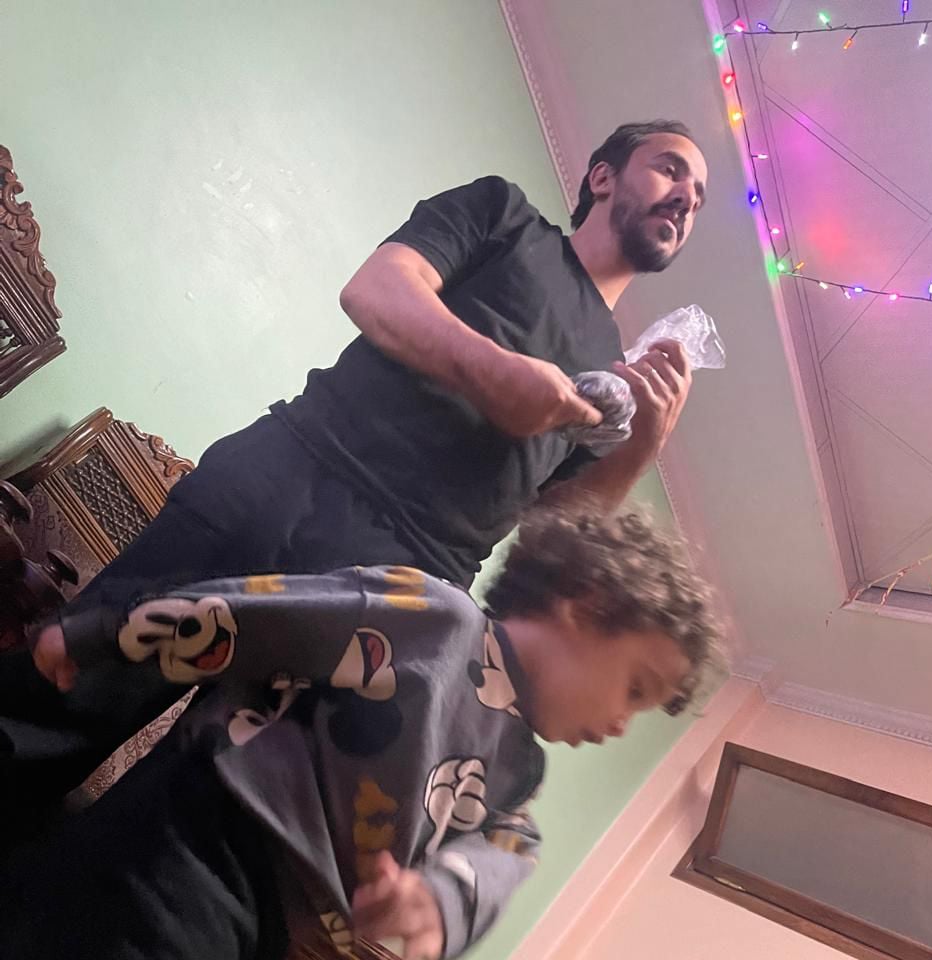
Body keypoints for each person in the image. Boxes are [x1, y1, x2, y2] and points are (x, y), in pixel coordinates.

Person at [0, 119, 709, 822]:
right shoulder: (505, 214)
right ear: (603, 176)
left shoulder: (615, 384)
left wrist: (640, 448)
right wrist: (494, 373)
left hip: (400, 589)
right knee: (67, 695)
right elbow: (376, 291)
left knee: (205, 810)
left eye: (699, 197)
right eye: (671, 168)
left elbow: (549, 543)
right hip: (293, 471)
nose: (685, 198)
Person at [4, 507, 724, 960]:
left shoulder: (517, 776)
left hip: (281, 929)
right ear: (584, 606)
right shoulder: (437, 618)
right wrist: (107, 634)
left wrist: (433, 903)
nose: (621, 724)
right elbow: (263, 615)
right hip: (200, 839)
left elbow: (504, 857)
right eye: (635, 689)